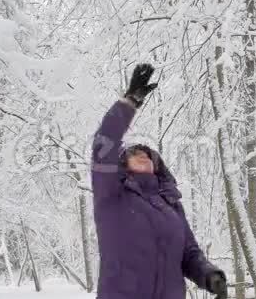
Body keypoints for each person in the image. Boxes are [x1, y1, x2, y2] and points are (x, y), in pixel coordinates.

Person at [91, 63, 228, 299]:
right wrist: (129, 102)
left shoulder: (171, 204)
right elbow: (104, 143)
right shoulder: (112, 195)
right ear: (122, 166)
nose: (142, 155)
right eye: (134, 154)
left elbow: (188, 253)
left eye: (148, 154)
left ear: (157, 166)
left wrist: (209, 275)